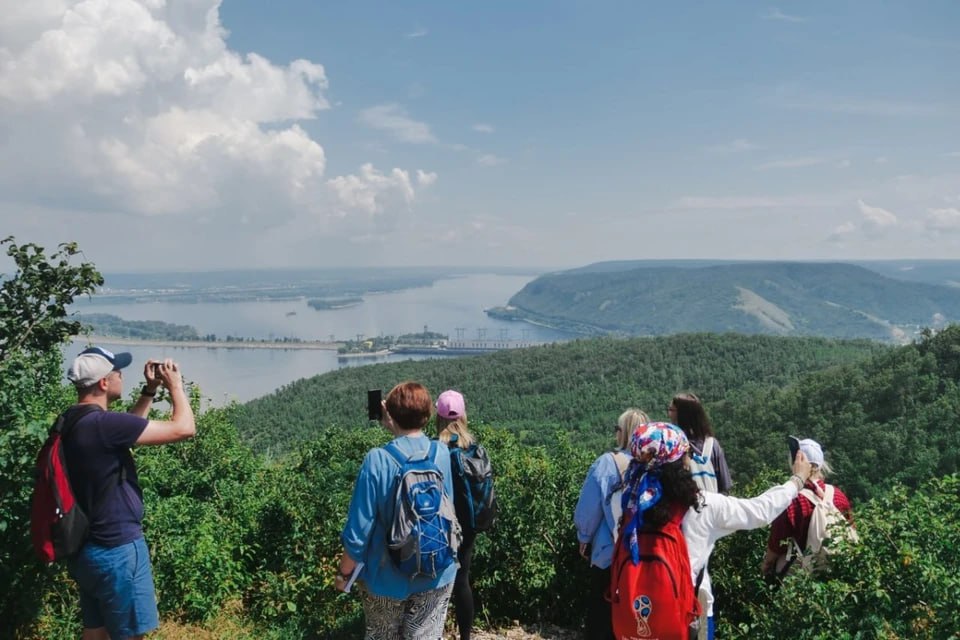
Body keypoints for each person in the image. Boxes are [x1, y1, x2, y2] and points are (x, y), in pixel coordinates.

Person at [612, 422, 812, 640]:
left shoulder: (626, 504)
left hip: (632, 617)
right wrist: (797, 481)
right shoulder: (701, 506)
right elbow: (759, 511)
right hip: (687, 617)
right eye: (687, 453)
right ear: (680, 463)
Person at [62, 346, 197, 640]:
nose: (121, 375)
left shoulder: (71, 421)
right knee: (131, 635)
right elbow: (185, 428)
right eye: (118, 372)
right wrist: (175, 386)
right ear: (104, 382)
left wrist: (149, 391)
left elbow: (124, 436)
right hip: (118, 549)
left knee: (95, 632)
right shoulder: (104, 425)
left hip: (86, 549)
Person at [337, 381, 459, 640]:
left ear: (389, 414)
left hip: (386, 579)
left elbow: (358, 533)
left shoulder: (377, 460)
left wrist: (344, 573)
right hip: (437, 570)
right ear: (428, 415)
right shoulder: (441, 453)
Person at [573, 408, 648, 640]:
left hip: (609, 554)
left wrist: (584, 538)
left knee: (601, 616)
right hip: (645, 555)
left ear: (623, 433)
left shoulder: (608, 463)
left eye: (617, 429)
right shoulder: (654, 467)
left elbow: (589, 507)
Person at [667, 392, 731, 633]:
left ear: (681, 414)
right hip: (707, 522)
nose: (669, 413)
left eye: (671, 410)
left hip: (680, 521)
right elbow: (725, 486)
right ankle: (702, 629)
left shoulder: (675, 444)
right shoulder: (713, 446)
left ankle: (682, 627)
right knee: (702, 579)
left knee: (682, 579)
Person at [761, 438, 855, 577]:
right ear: (821, 465)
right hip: (836, 571)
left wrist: (765, 565)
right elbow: (851, 528)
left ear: (796, 463)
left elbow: (777, 544)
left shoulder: (791, 499)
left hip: (802, 575)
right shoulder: (838, 495)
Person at [434, 389, 485, 640]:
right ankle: (465, 636)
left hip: (441, 525)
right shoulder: (474, 448)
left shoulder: (436, 450)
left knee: (437, 582)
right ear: (463, 416)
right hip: (468, 525)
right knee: (462, 580)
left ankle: (433, 632)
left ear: (438, 418)